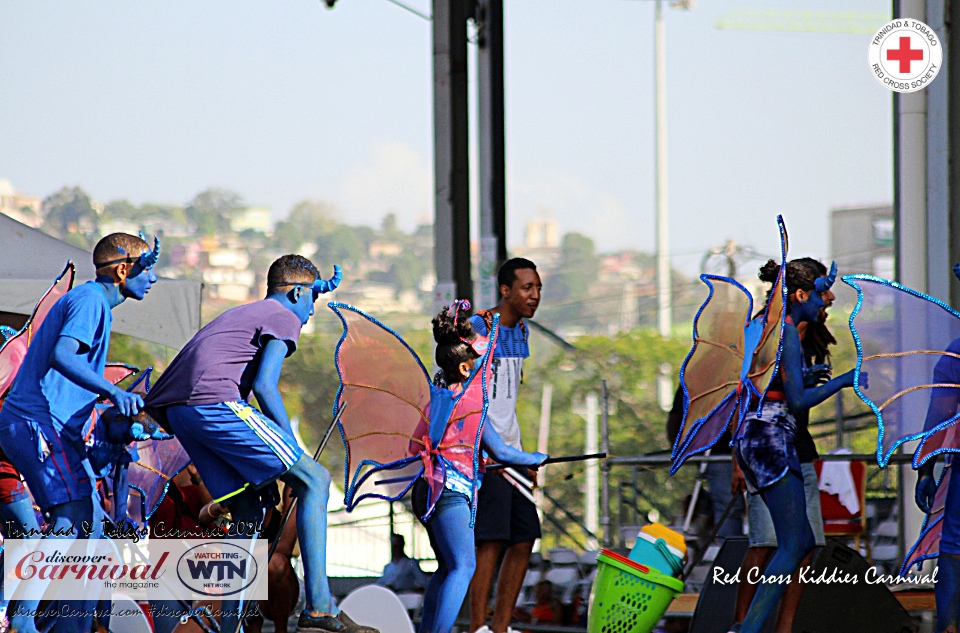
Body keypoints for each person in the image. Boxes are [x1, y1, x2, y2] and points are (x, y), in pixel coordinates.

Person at [144, 255, 378, 633]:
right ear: (298, 291)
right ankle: (319, 609)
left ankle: (228, 624)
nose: (311, 313)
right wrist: (290, 452)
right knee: (315, 479)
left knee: (249, 510)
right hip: (213, 403)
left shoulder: (244, 313)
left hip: (181, 412)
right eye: (311, 301)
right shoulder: (282, 314)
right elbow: (265, 385)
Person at [0, 232, 159, 633]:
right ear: (123, 270)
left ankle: (71, 625)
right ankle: (21, 619)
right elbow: (63, 355)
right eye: (148, 269)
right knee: (71, 518)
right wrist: (111, 390)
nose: (153, 279)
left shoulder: (93, 304)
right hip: (39, 424)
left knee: (92, 526)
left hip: (49, 427)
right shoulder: (90, 301)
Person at [729, 258, 860, 633]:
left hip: (762, 440)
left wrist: (804, 374)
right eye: (822, 291)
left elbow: (770, 382)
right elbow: (797, 401)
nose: (829, 298)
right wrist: (844, 380)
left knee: (800, 542)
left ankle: (753, 626)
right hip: (770, 440)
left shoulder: (769, 328)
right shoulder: (784, 331)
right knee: (788, 544)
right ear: (800, 294)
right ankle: (749, 628)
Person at [413, 305, 547, 633]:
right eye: (482, 364)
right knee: (464, 567)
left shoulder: (440, 398)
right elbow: (502, 450)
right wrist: (535, 457)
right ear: (464, 367)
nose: (487, 371)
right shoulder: (464, 402)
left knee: (446, 569)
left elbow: (417, 445)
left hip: (426, 490)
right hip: (449, 493)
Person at [468, 258, 543, 633]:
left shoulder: (523, 332)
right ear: (505, 290)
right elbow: (467, 396)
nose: (535, 295)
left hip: (512, 455)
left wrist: (522, 454)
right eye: (527, 287)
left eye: (538, 288)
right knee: (490, 541)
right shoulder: (480, 327)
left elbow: (507, 402)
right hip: (483, 454)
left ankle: (500, 627)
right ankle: (477, 627)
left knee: (525, 536)